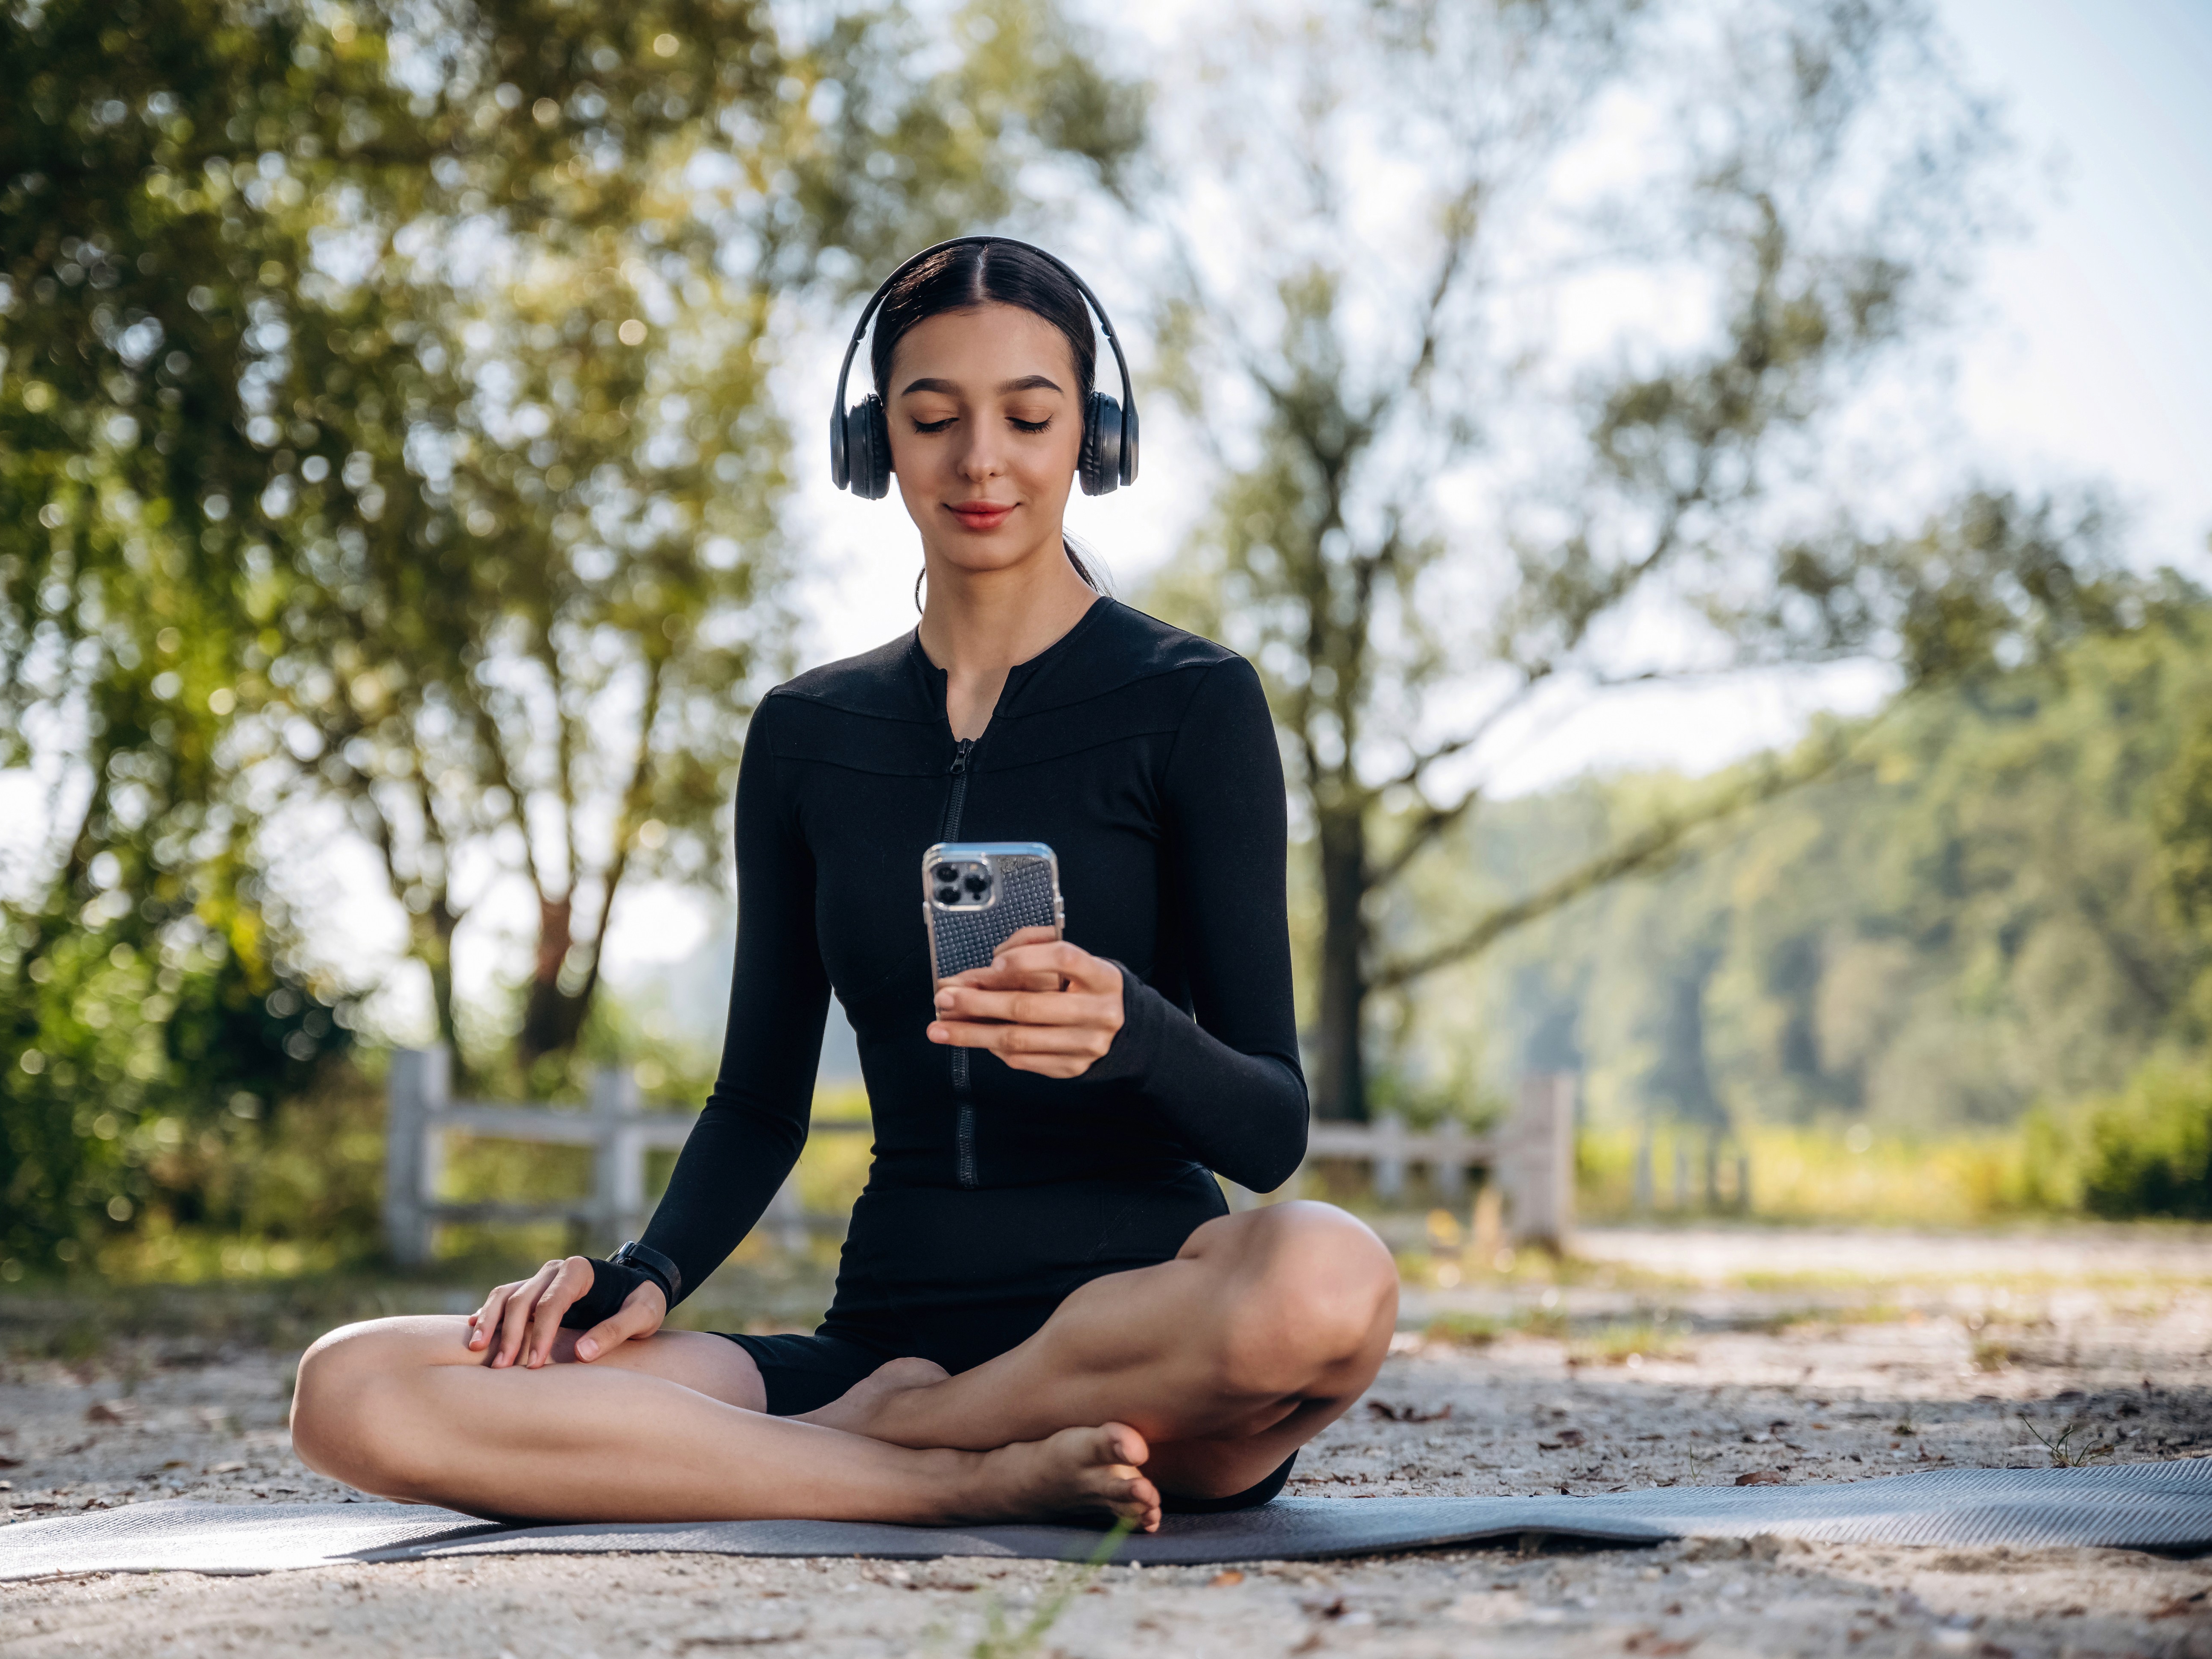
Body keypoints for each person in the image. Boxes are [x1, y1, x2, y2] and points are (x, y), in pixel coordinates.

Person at [290, 239, 1399, 1532]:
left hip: (1150, 1349)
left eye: (1028, 418)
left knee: (1329, 1276)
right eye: (932, 419)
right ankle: (954, 1478)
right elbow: (759, 1101)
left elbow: (1270, 1129)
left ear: (1094, 440)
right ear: (873, 444)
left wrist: (1133, 1030)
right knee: (353, 1388)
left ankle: (896, 1442)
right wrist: (647, 1269)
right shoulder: (807, 733)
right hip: (883, 1340)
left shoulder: (1194, 702)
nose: (980, 461)